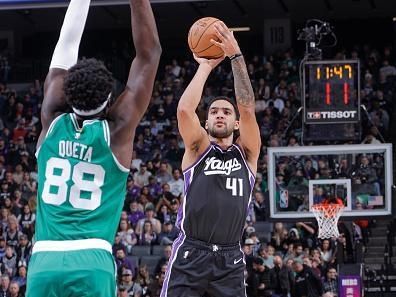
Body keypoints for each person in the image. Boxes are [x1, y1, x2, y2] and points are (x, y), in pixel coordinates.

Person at [26, 0, 161, 296]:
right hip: (92, 260)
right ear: (110, 98)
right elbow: (149, 56)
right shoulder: (117, 130)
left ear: (66, 91)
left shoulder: (50, 121)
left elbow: (66, 44)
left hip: (44, 260)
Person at [161, 21, 261, 297]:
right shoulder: (198, 147)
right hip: (191, 251)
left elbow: (248, 108)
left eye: (226, 112)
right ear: (206, 123)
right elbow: (184, 111)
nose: (219, 114)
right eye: (214, 111)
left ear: (236, 123)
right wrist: (205, 66)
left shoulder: (248, 154)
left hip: (230, 258)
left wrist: (235, 56)